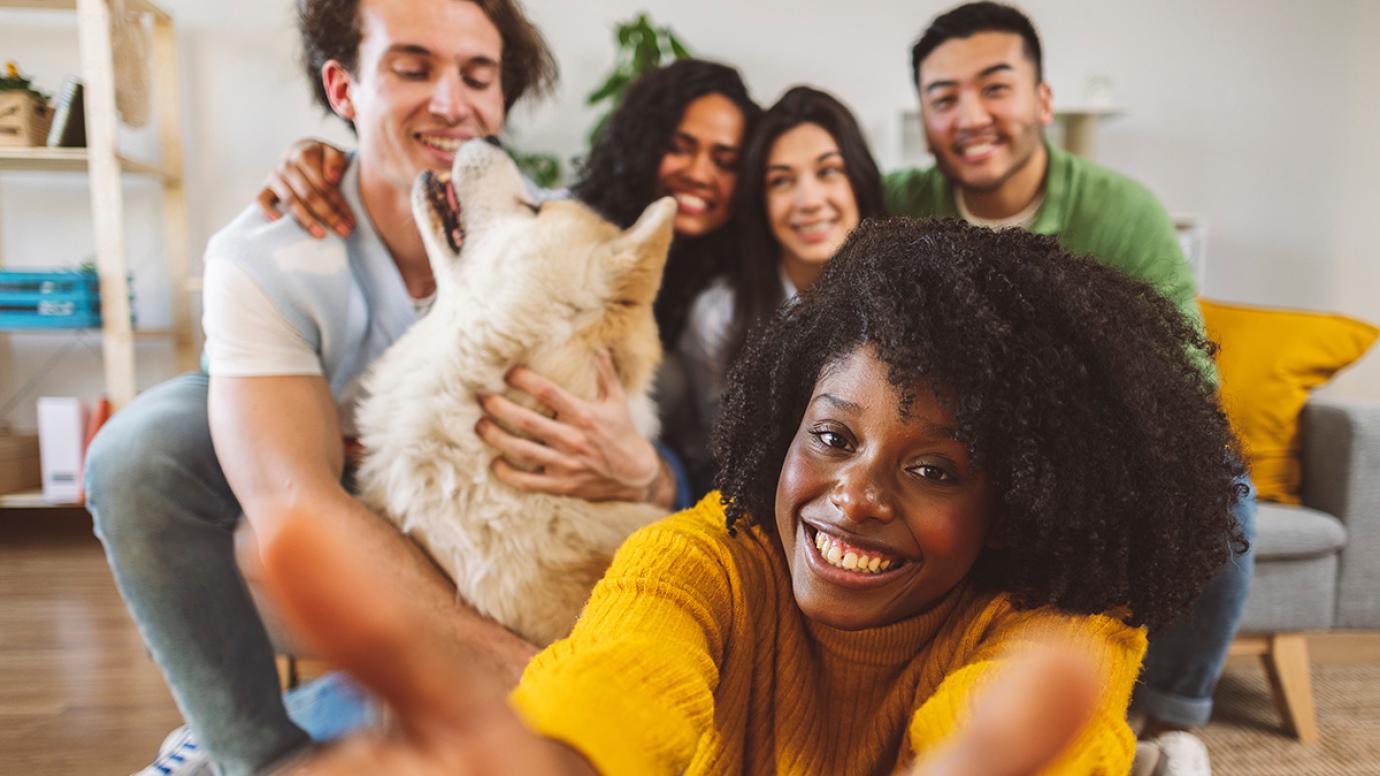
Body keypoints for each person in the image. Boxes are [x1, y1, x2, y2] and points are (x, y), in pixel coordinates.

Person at [262, 218, 1248, 775]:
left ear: (1019, 496)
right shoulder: (698, 560)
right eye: (831, 436)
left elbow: (1017, 736)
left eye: (935, 466)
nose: (854, 493)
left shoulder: (1063, 621)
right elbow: (617, 681)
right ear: (784, 423)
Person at [83, 1, 562, 774]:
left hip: (472, 502)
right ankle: (254, 755)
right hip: (328, 485)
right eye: (413, 68)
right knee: (142, 449)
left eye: (478, 76)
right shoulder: (267, 251)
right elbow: (292, 500)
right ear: (344, 89)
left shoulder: (548, 235)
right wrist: (522, 666)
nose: (451, 101)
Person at [888, 3, 1256, 768]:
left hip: (1091, 454)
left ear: (1042, 102)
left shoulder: (1120, 211)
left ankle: (1165, 726)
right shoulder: (896, 205)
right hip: (943, 449)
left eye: (996, 87)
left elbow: (1187, 379)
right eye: (944, 97)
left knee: (1217, 476)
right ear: (923, 118)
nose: (971, 116)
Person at [257, 58, 761, 507]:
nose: (700, 173)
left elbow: (743, 465)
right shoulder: (563, 223)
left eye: (725, 161)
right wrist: (330, 162)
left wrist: (656, 478)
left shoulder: (738, 298)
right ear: (646, 144)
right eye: (681, 147)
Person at [674, 85, 885, 491]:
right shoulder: (720, 314)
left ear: (858, 181)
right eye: (781, 181)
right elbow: (709, 456)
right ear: (760, 201)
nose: (808, 200)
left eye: (828, 172)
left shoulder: (909, 295)